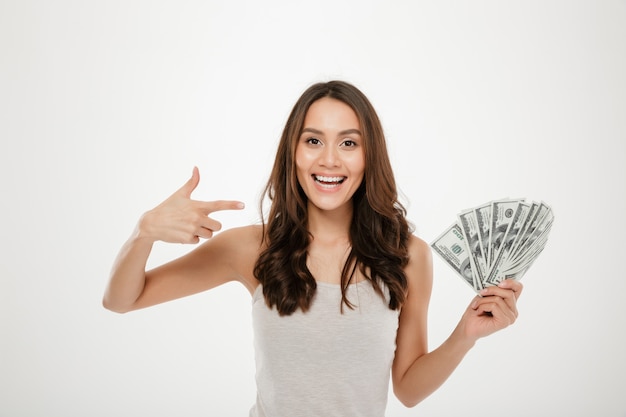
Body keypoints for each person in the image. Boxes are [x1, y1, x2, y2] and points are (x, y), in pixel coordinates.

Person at [103, 80, 522, 416]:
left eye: (349, 143)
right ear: (294, 152)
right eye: (314, 141)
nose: (330, 161)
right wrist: (144, 233)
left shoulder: (408, 255)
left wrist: (465, 336)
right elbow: (122, 300)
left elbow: (408, 390)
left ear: (368, 155)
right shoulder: (250, 247)